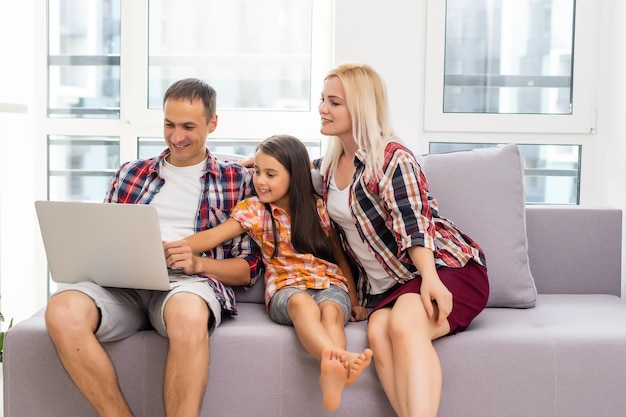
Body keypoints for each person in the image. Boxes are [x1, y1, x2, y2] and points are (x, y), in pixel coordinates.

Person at [44, 78, 263, 417]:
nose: (177, 137)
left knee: (189, 316)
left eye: (189, 126)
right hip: (121, 284)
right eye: (169, 124)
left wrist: (197, 264)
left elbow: (250, 267)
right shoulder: (131, 173)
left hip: (187, 285)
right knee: (62, 310)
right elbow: (101, 237)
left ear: (213, 123)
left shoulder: (239, 180)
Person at [315, 63, 490, 417]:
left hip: (444, 268)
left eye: (334, 102)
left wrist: (431, 281)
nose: (322, 108)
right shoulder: (331, 165)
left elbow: (414, 223)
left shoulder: (394, 158)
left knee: (404, 323)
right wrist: (255, 162)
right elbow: (291, 168)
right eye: (322, 99)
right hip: (392, 288)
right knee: (379, 334)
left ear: (361, 108)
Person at [165, 134, 373, 411]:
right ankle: (337, 358)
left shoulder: (318, 208)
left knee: (333, 312)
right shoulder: (255, 210)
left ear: (295, 175)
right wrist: (169, 249)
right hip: (285, 288)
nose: (260, 181)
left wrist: (356, 301)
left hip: (329, 282)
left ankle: (331, 375)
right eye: (258, 172)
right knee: (302, 304)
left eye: (270, 174)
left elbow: (339, 257)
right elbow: (211, 237)